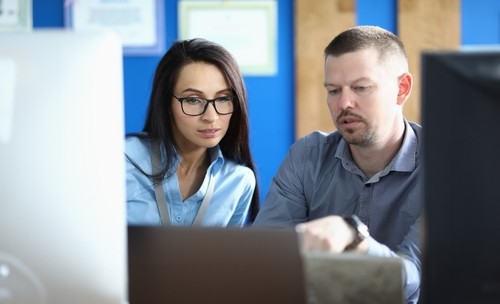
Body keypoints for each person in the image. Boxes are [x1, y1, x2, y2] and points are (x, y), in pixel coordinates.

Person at [253, 26, 422, 303]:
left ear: (401, 89)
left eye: (361, 88)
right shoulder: (307, 156)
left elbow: (412, 280)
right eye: (333, 90)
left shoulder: (444, 167)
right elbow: (268, 261)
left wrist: (353, 239)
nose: (344, 103)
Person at [126, 38, 259, 227]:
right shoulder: (122, 161)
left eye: (223, 98)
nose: (211, 117)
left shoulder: (239, 181)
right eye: (193, 100)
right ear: (166, 103)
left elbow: (226, 256)